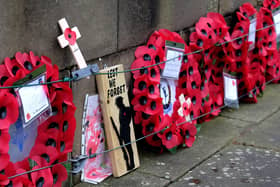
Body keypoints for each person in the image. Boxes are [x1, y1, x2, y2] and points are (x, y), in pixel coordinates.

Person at [110, 96, 135, 170]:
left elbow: (128, 119)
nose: (116, 105)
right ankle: (128, 163)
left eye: (117, 103)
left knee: (128, 147)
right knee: (123, 147)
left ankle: (132, 163)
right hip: (122, 130)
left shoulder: (127, 109)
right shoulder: (121, 110)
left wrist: (125, 125)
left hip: (126, 130)